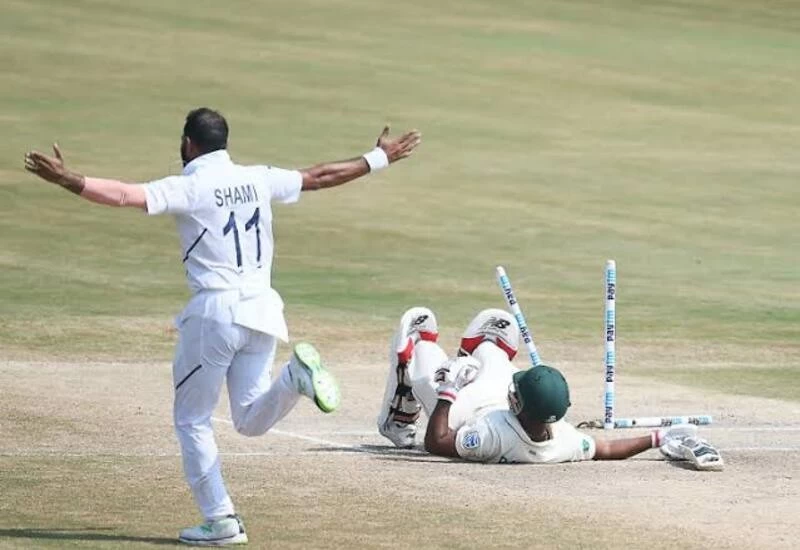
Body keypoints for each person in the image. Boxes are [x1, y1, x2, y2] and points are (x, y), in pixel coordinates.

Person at [24, 107, 422, 547]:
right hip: (263, 312)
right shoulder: (257, 178)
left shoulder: (189, 186)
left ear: (188, 143)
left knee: (191, 420)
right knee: (249, 421)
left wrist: (67, 179)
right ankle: (294, 378)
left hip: (216, 313)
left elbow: (121, 195)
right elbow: (319, 176)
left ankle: (220, 520)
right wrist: (378, 157)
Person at [378, 307, 723, 468]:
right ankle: (480, 351)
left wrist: (449, 392)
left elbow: (436, 442)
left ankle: (401, 408)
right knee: (492, 348)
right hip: (496, 401)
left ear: (517, 404)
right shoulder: (563, 440)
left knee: (425, 355)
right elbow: (606, 449)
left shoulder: (491, 439)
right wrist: (658, 437)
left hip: (466, 412)